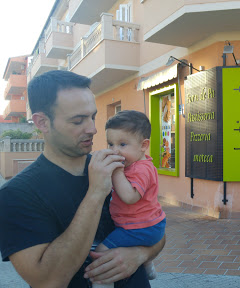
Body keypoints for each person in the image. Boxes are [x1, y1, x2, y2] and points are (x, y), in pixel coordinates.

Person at [0, 70, 165, 287]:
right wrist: (95, 193)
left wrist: (140, 255)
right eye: (78, 120)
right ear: (42, 122)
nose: (93, 129)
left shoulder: (116, 166)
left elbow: (156, 230)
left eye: (93, 117)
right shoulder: (17, 194)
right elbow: (47, 281)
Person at [93, 110, 166, 288]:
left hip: (139, 229)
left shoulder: (141, 169)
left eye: (122, 144)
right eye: (110, 144)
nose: (114, 150)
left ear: (143, 145)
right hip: (147, 226)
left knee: (101, 255)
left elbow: (129, 197)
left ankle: (102, 283)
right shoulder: (134, 165)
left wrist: (117, 171)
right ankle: (147, 266)